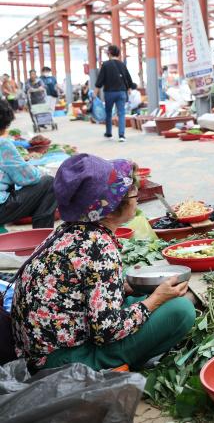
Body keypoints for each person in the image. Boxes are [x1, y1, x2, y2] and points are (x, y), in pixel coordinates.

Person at [10, 153, 195, 371]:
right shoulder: (99, 246)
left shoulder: (67, 230)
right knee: (181, 310)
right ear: (113, 207)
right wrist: (155, 300)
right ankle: (117, 365)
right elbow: (107, 331)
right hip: (62, 362)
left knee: (142, 295)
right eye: (132, 193)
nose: (136, 196)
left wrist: (124, 288)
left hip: (42, 347)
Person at [0, 99, 57, 228]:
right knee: (48, 183)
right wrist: (37, 170)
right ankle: (42, 240)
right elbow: (28, 178)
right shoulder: (3, 145)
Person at [94, 45, 133, 142]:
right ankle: (121, 135)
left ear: (110, 53)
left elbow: (100, 80)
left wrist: (95, 92)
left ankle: (109, 133)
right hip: (121, 92)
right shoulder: (122, 64)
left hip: (109, 93)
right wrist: (129, 88)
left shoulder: (106, 65)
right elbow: (128, 78)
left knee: (108, 113)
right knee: (121, 113)